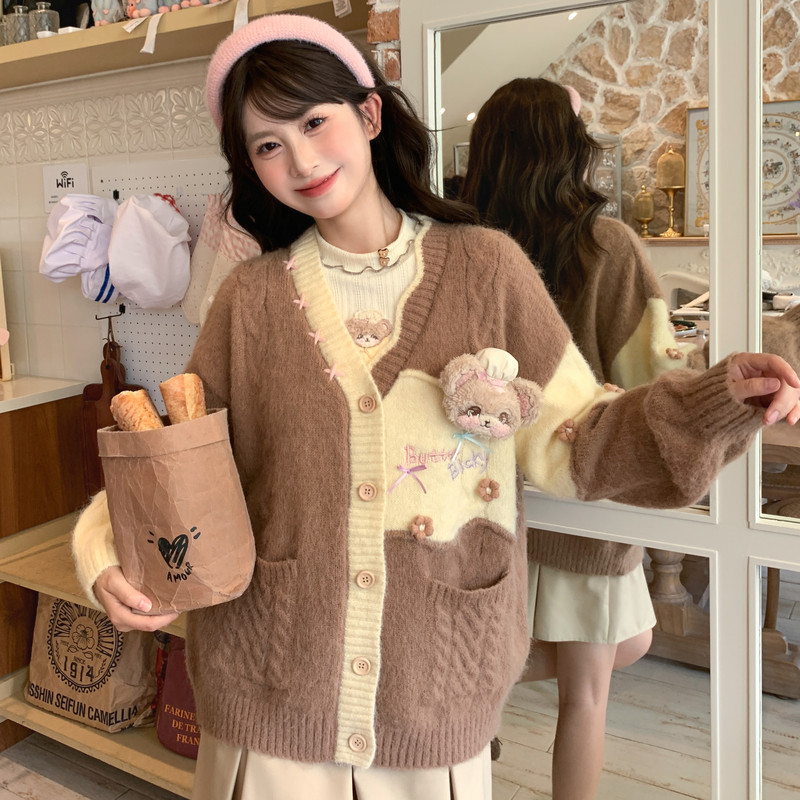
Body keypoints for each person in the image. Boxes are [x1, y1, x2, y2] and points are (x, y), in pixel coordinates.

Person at [71, 16, 800, 800]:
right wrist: (101, 550)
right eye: (268, 144)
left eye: (314, 122)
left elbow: (579, 440)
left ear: (369, 115)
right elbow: (184, 465)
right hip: (272, 694)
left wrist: (719, 400)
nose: (302, 160)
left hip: (435, 696)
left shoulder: (488, 270)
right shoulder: (249, 302)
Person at [460, 76, 706, 799]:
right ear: (564, 146)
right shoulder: (607, 245)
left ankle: (476, 709)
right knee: (588, 694)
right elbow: (650, 374)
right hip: (579, 481)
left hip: (486, 493)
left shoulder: (464, 249)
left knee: (605, 647)